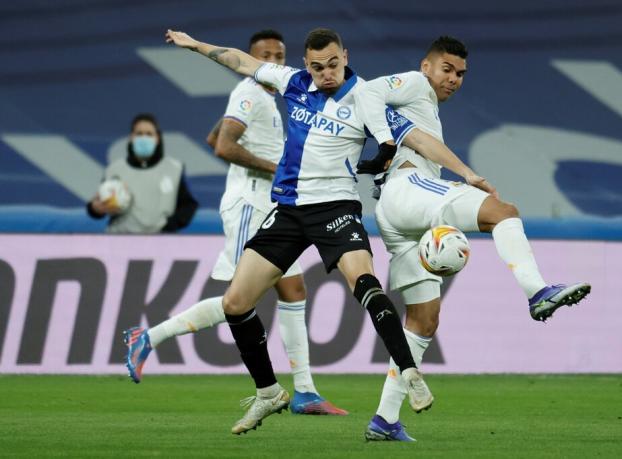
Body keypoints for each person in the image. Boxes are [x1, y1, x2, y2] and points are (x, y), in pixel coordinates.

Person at [165, 27, 451, 435]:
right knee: (234, 303)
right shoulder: (293, 83)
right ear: (306, 65)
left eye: (333, 64)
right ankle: (268, 393)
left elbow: (416, 139)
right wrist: (196, 46)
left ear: (345, 56)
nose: (326, 73)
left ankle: (410, 373)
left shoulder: (365, 96)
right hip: (289, 211)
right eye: (317, 67)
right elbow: (240, 60)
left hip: (335, 207)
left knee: (366, 283)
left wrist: (468, 175)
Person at [354, 36, 591, 441]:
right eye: (446, 69)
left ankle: (385, 419)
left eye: (461, 73)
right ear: (426, 66)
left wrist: (393, 134)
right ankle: (536, 292)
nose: (454, 79)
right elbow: (368, 92)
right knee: (503, 211)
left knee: (424, 320)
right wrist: (451, 166)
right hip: (408, 188)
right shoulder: (413, 83)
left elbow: (405, 128)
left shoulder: (417, 109)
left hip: (393, 212)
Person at [123, 30, 346, 416]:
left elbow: (215, 138)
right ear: (250, 58)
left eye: (280, 54)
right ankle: (149, 337)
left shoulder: (266, 98)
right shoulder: (250, 91)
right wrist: (277, 169)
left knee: (293, 289)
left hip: (271, 205)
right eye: (265, 55)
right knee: (239, 300)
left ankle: (306, 391)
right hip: (249, 203)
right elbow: (226, 147)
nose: (274, 61)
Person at [87, 113, 198, 233]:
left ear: (157, 139)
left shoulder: (173, 169)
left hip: (160, 243)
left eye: (149, 134)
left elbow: (188, 205)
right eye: (139, 134)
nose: (144, 138)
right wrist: (94, 209)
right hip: (119, 240)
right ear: (131, 137)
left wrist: (168, 228)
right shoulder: (114, 169)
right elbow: (98, 204)